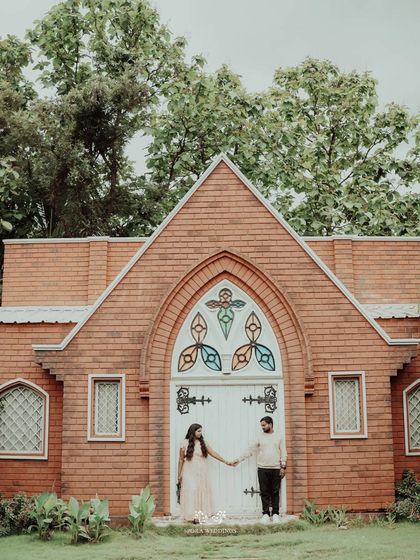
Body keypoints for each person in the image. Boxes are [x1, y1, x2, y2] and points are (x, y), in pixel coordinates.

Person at [233, 416, 287, 524]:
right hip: (262, 468)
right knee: (264, 492)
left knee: (275, 492)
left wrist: (283, 467)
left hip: (276, 468)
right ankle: (265, 514)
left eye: (264, 425)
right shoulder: (259, 437)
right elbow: (250, 450)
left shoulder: (279, 436)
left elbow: (283, 452)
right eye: (261, 425)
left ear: (270, 424)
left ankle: (276, 514)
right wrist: (239, 459)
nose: (262, 427)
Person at [178, 423, 234, 523]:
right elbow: (181, 459)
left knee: (200, 491)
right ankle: (190, 515)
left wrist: (225, 461)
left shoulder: (203, 443)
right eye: (198, 431)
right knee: (191, 492)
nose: (200, 433)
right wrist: (180, 473)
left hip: (201, 472)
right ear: (193, 431)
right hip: (189, 471)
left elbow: (213, 453)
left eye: (201, 431)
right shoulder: (184, 443)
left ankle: (198, 516)